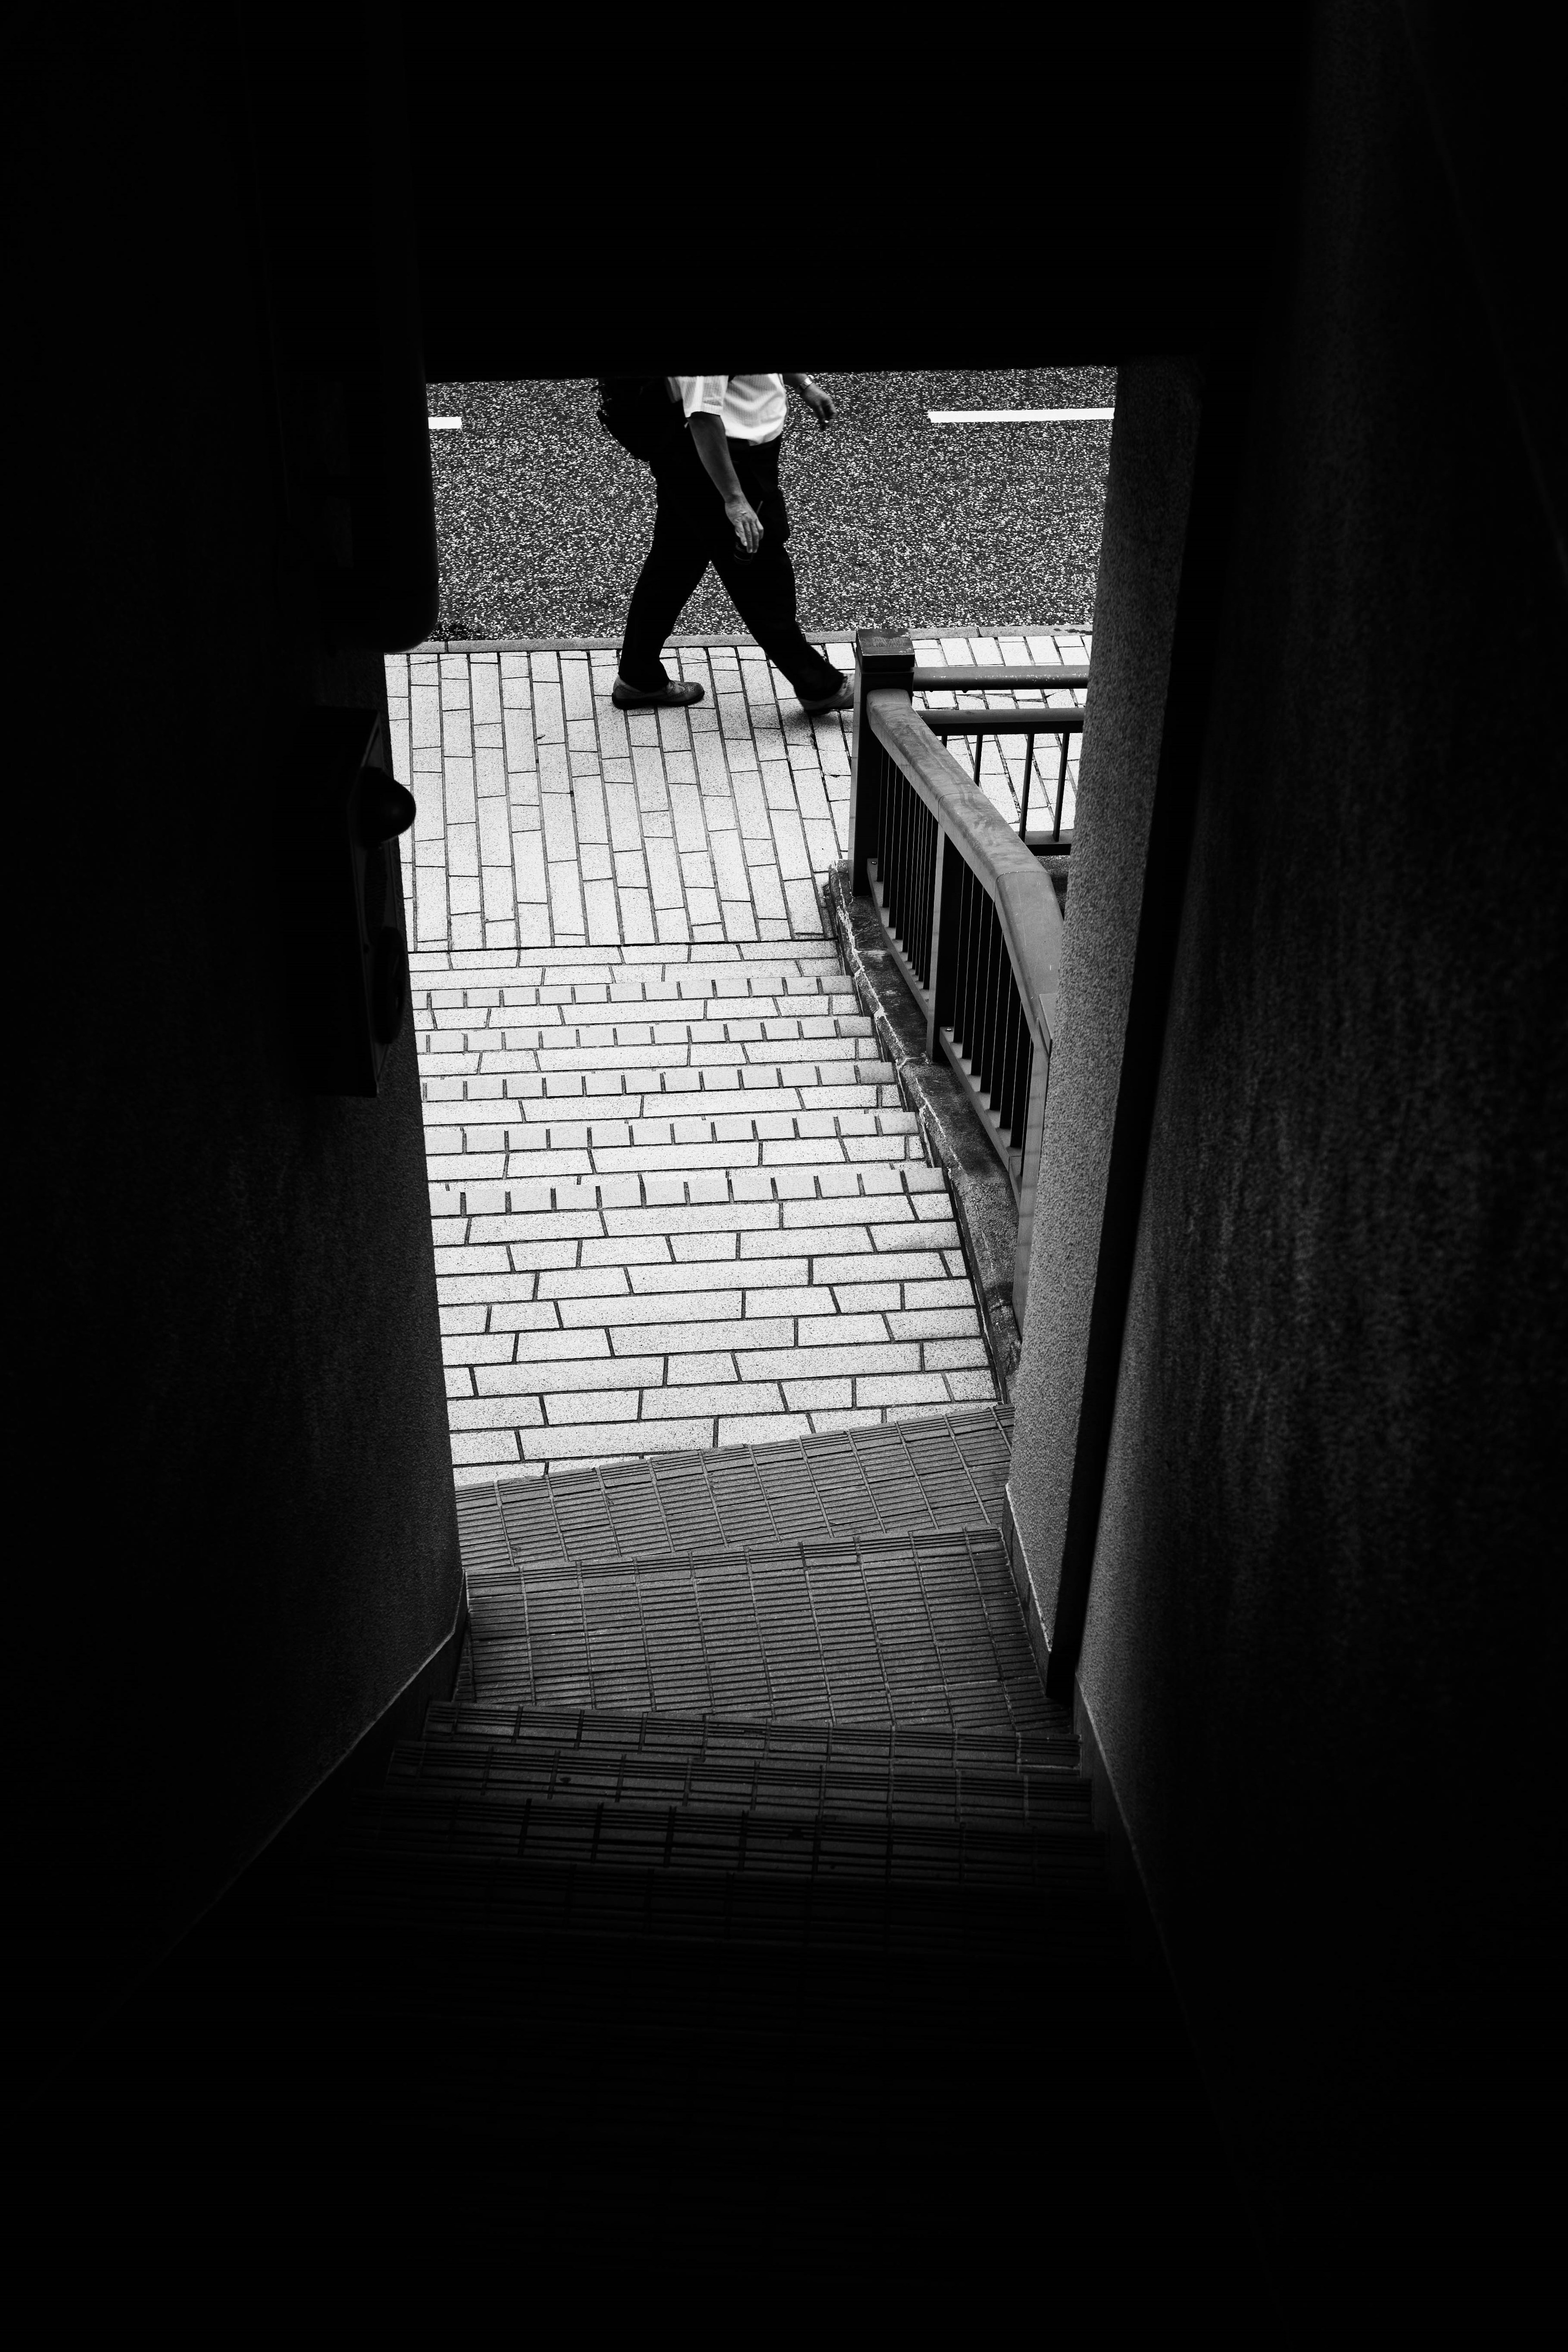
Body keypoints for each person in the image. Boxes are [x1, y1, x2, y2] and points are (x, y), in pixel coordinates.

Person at [612, 374, 851, 715]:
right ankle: (820, 686)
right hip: (721, 465)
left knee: (673, 567)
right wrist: (735, 499)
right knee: (763, 576)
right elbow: (703, 417)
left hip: (714, 461)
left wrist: (803, 383)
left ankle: (638, 677)